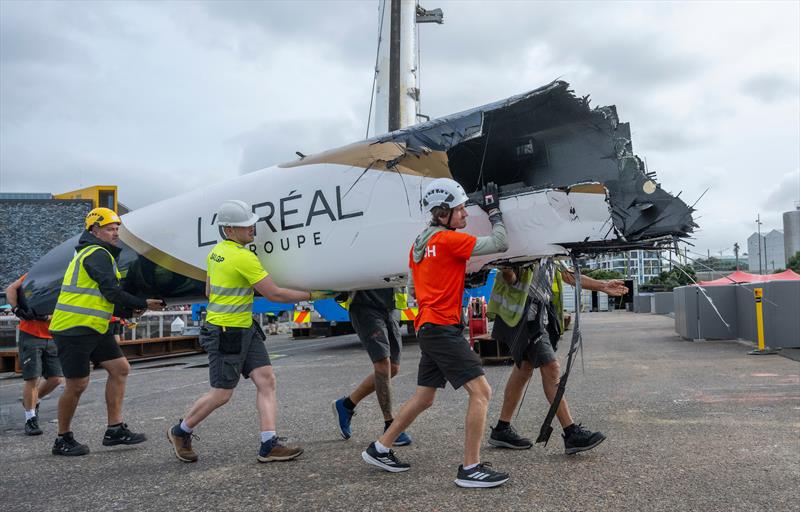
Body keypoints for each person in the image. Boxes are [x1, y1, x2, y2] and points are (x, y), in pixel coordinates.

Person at [362, 179, 511, 489]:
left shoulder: (418, 244)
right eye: (460, 210)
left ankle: (380, 448)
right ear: (443, 213)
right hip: (442, 328)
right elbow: (500, 242)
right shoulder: (448, 240)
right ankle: (470, 469)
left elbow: (419, 287)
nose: (466, 215)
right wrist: (494, 211)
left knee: (424, 397)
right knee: (481, 392)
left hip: (428, 326)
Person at [167, 200, 333, 464]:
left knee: (266, 380)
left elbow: (209, 291)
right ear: (229, 230)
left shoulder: (215, 253)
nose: (252, 229)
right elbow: (275, 294)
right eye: (246, 226)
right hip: (226, 332)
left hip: (242, 327)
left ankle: (269, 444)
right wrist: (314, 295)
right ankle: (180, 431)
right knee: (222, 394)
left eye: (251, 224)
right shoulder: (243, 257)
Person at [49, 207, 165, 456]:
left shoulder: (100, 254)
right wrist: (142, 303)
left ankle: (114, 429)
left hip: (94, 326)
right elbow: (111, 292)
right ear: (94, 230)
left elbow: (104, 298)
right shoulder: (96, 254)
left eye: (116, 229)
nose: (115, 233)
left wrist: (131, 310)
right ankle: (62, 438)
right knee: (77, 385)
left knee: (120, 369)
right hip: (74, 328)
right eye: (110, 229)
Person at [486, 260, 628, 454]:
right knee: (551, 367)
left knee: (524, 369)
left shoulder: (549, 251)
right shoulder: (526, 248)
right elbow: (510, 278)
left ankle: (502, 429)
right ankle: (571, 433)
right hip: (523, 318)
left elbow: (567, 274)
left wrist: (602, 285)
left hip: (536, 317)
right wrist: (507, 270)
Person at [332, 288, 411, 446]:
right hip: (365, 304)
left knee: (393, 368)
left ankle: (346, 405)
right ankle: (390, 424)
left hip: (392, 306)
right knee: (383, 364)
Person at [6, 274, 64, 436]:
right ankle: (30, 419)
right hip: (30, 334)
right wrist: (16, 309)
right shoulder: (35, 275)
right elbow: (10, 289)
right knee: (33, 378)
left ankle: (32, 401)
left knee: (56, 379)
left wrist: (47, 317)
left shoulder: (66, 278)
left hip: (52, 335)